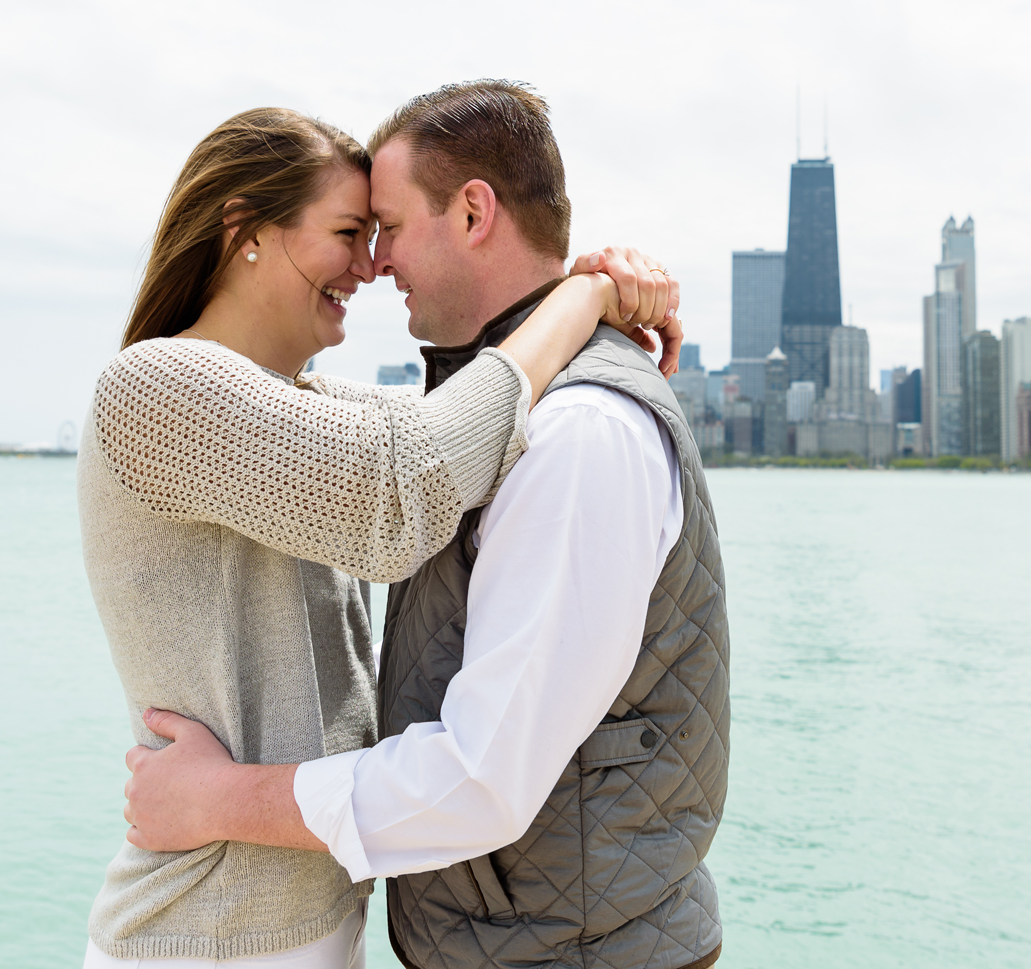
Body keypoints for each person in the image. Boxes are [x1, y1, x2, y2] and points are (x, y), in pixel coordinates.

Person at [123, 82, 730, 969]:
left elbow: (480, 779)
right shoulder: (468, 420)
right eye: (355, 233)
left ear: (474, 212)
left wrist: (218, 801)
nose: (376, 264)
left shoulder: (578, 431)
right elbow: (378, 457)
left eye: (389, 226)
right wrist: (591, 292)